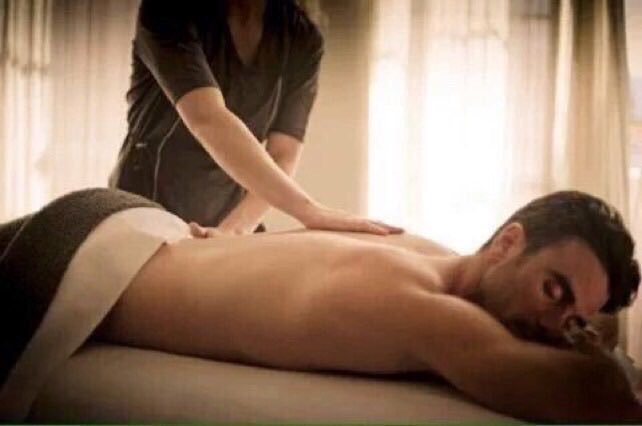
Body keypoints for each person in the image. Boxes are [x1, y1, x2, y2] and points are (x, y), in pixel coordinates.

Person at [86, 190, 642, 422]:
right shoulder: (423, 308)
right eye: (553, 291)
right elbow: (605, 398)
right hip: (84, 262)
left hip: (138, 228)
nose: (554, 328)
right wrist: (592, 350)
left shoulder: (421, 253)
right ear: (506, 244)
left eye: (572, 320)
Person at [109, 0, 398, 236]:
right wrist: (309, 211)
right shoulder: (168, 10)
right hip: (147, 209)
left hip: (233, 215)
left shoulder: (302, 36)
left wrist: (236, 229)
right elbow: (207, 118)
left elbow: (282, 153)